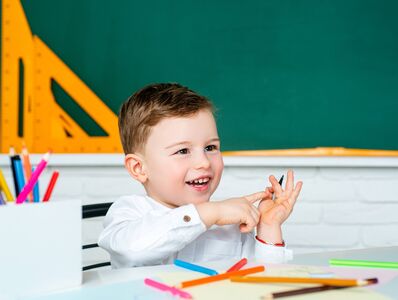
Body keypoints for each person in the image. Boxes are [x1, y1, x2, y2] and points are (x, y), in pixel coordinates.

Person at [98, 83, 302, 268]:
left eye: (211, 147)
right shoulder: (129, 212)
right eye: (183, 151)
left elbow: (264, 277)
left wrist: (268, 228)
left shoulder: (229, 226)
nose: (204, 162)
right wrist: (209, 213)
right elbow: (133, 251)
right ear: (139, 168)